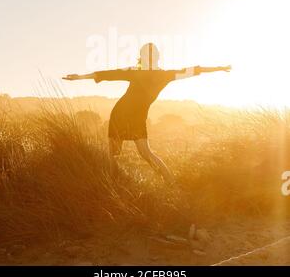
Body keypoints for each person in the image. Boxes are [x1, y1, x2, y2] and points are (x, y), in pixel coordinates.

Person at [63, 43, 231, 184]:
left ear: (156, 57)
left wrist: (219, 68)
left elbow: (194, 70)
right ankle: (115, 185)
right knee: (113, 154)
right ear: (142, 57)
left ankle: (171, 183)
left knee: (145, 153)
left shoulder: (164, 75)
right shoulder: (138, 71)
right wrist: (79, 77)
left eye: (151, 55)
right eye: (145, 55)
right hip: (120, 114)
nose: (148, 58)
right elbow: (108, 74)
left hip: (137, 118)